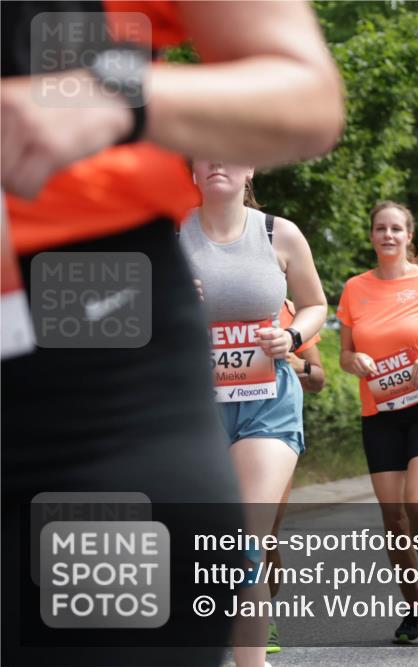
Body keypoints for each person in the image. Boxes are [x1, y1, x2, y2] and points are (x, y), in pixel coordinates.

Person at [1, 3, 344, 666]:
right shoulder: (188, 231)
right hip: (193, 390)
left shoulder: (278, 233)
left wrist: (113, 94)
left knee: (240, 539)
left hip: (91, 375)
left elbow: (308, 94)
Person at [181, 159, 327, 666]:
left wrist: (291, 336)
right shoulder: (167, 234)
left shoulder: (279, 234)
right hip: (188, 409)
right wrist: (168, 302)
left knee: (245, 538)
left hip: (267, 402)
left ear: (250, 170)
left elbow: (315, 305)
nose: (217, 161)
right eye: (204, 153)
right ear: (192, 170)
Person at [337, 201, 418, 644]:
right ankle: (412, 608)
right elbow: (345, 355)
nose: (387, 235)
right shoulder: (354, 288)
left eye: (396, 229)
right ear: (371, 235)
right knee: (394, 517)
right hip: (381, 414)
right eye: (379, 228)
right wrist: (356, 361)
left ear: (409, 236)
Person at [267, 298, 325, 654]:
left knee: (265, 526)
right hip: (214, 422)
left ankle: (261, 614)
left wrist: (297, 362)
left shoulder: (290, 309)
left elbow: (318, 379)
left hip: (273, 426)